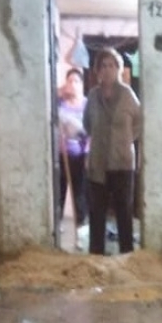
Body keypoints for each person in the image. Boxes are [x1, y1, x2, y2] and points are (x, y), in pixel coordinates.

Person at [82, 47, 142, 255]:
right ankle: (95, 257)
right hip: (98, 162)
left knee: (124, 212)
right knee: (96, 213)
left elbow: (139, 123)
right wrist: (101, 141)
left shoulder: (128, 95)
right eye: (103, 66)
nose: (107, 70)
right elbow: (87, 124)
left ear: (118, 68)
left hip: (123, 163)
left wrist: (123, 141)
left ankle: (127, 257)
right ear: (97, 70)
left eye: (111, 65)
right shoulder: (92, 96)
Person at [57, 68, 89, 236]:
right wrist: (59, 94)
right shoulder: (60, 103)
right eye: (70, 80)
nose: (73, 84)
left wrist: (88, 153)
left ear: (81, 84)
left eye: (76, 81)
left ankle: (81, 224)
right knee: (60, 189)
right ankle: (57, 222)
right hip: (62, 155)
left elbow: (91, 130)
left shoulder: (86, 104)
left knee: (80, 191)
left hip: (81, 155)